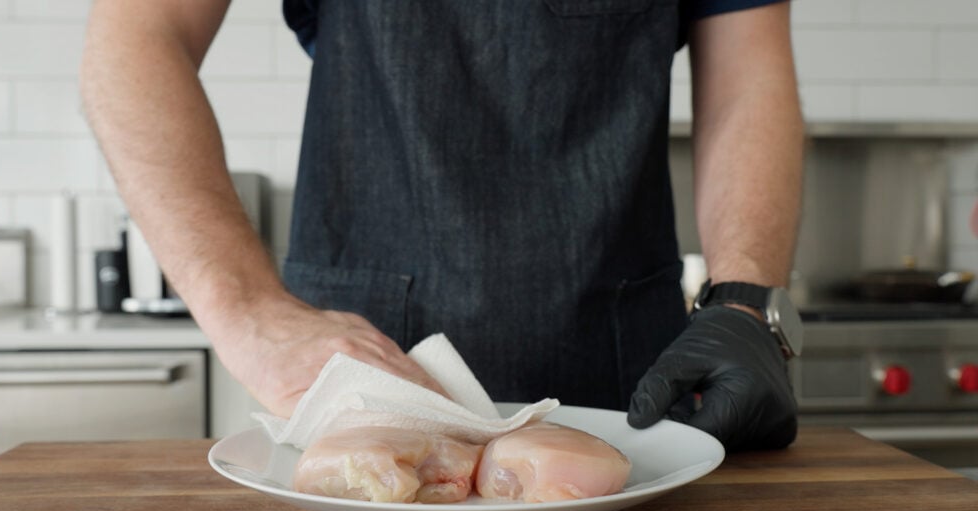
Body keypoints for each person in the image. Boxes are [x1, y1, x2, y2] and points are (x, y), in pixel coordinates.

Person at [81, 0, 803, 451]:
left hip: (623, 380)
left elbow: (748, 74)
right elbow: (138, 35)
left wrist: (744, 301)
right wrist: (248, 312)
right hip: (358, 378)